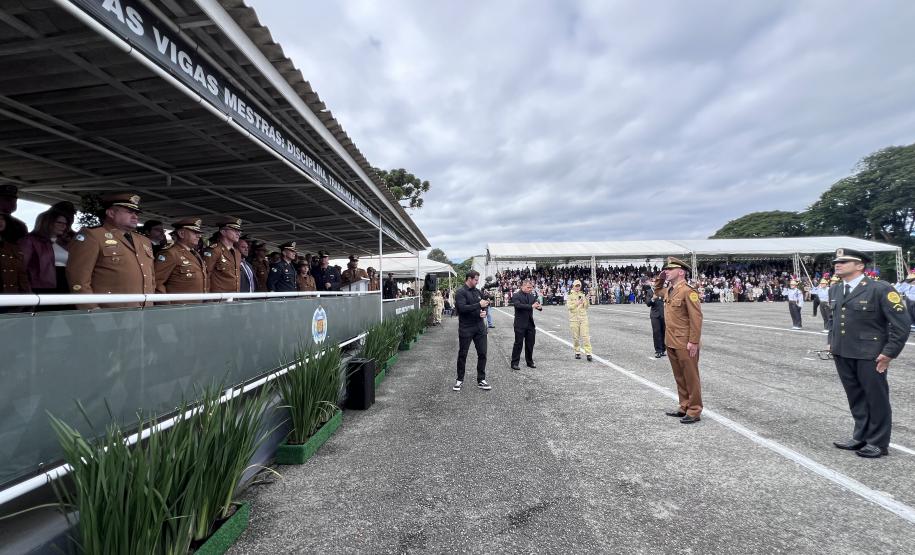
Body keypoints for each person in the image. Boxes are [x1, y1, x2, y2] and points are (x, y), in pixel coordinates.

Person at [826, 249, 911, 458]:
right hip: (843, 352)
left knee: (876, 398)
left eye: (844, 261)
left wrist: (889, 353)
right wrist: (831, 342)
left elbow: (902, 324)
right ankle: (861, 436)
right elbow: (832, 320)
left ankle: (878, 442)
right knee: (856, 397)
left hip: (871, 354)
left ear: (860, 265)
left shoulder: (880, 289)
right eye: (836, 261)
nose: (838, 264)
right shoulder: (835, 289)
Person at [66, 193, 155, 309]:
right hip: (109, 311)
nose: (135, 216)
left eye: (136, 213)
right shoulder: (92, 236)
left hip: (145, 310)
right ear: (111, 213)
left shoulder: (144, 241)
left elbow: (151, 277)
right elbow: (78, 279)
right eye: (129, 212)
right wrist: (91, 309)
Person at [653, 257, 703, 424]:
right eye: (666, 269)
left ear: (681, 272)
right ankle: (684, 406)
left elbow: (696, 318)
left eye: (670, 269)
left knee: (691, 376)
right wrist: (660, 279)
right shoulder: (669, 290)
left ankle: (695, 410)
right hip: (671, 341)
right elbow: (656, 291)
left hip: (685, 342)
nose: (666, 271)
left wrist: (694, 341)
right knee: (679, 376)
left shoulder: (688, 291)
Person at [19, 209, 71, 301]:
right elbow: (21, 267)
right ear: (47, 222)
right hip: (42, 286)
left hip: (66, 283)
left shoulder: (66, 243)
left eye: (65, 223)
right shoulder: (30, 240)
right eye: (59, 222)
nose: (64, 226)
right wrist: (26, 289)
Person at [154, 218, 206, 303]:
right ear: (181, 234)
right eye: (195, 232)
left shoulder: (195, 253)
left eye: (199, 233)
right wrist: (167, 306)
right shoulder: (170, 253)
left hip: (197, 308)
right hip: (179, 310)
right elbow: (157, 283)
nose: (199, 236)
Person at [454, 270, 491, 391]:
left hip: (479, 327)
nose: (477, 281)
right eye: (475, 279)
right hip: (466, 327)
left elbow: (482, 306)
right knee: (463, 354)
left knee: (482, 353)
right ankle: (459, 379)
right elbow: (462, 308)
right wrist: (479, 305)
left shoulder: (477, 291)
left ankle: (481, 379)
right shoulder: (460, 292)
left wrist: (483, 311)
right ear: (469, 279)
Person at [204, 217, 242, 293]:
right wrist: (207, 297)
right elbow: (206, 275)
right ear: (223, 232)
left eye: (239, 231)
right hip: (218, 298)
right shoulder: (214, 250)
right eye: (234, 230)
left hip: (234, 297)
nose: (238, 233)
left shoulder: (237, 253)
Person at [509, 279, 541, 370]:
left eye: (531, 287)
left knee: (530, 343)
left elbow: (536, 304)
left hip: (530, 323)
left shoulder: (531, 296)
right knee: (518, 343)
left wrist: (539, 307)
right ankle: (514, 363)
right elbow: (518, 305)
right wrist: (531, 306)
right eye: (528, 287)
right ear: (522, 286)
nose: (530, 289)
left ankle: (529, 361)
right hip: (520, 323)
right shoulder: (516, 295)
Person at [0, 214, 30, 297]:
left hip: (11, 299)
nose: (0, 221)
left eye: (2, 219)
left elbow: (22, 275)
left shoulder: (14, 247)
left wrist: (28, 298)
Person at [566, 279, 592, 361]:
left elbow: (586, 307)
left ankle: (588, 353)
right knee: (576, 337)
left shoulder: (582, 295)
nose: (577, 287)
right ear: (573, 286)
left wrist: (587, 299)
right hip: (574, 319)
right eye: (576, 286)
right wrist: (577, 303)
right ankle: (577, 352)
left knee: (585, 336)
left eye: (579, 286)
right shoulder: (570, 295)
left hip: (583, 318)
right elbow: (569, 307)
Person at [646, 288, 666, 358]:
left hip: (664, 314)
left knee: (664, 332)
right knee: (656, 332)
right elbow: (648, 303)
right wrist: (653, 299)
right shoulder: (650, 291)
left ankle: (663, 349)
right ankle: (658, 351)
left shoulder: (663, 290)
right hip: (655, 315)